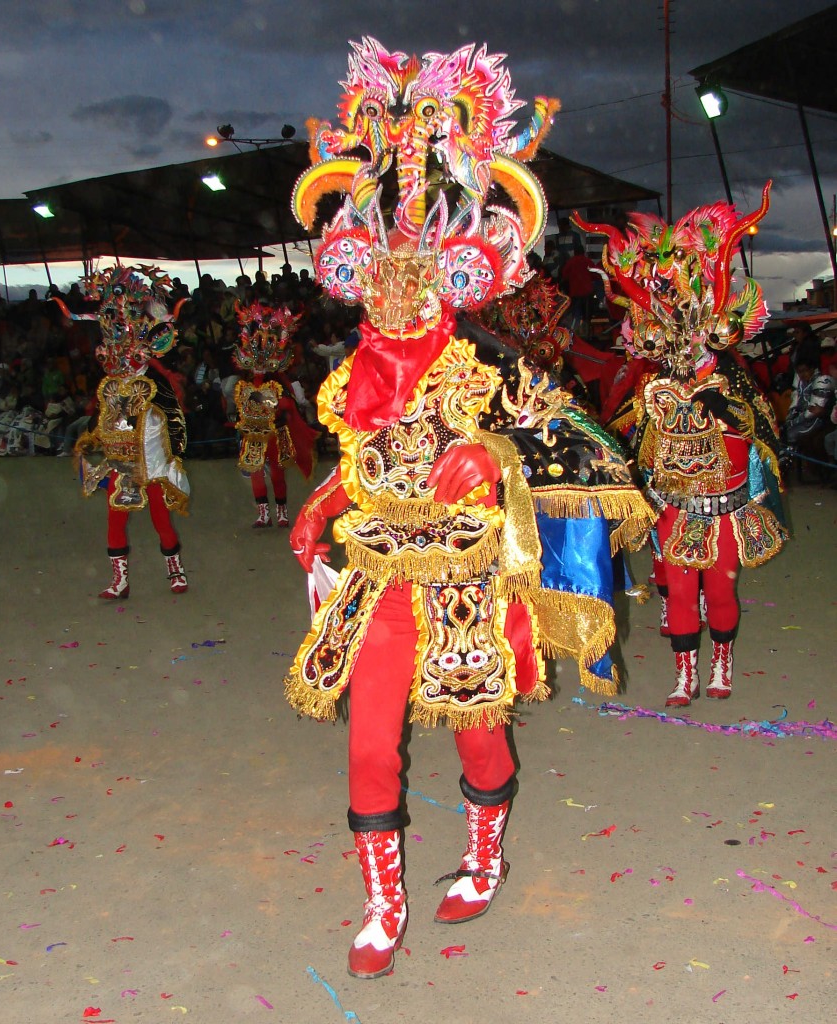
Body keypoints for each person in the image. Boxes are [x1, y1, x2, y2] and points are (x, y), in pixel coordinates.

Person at [286, 37, 652, 981]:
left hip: (464, 589)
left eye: (417, 271)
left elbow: (579, 444)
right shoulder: (355, 373)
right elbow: (365, 463)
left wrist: (485, 450)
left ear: (455, 275)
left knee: (480, 737)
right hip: (375, 586)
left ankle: (485, 856)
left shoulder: (490, 369)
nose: (398, 288)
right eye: (381, 271)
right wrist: (320, 502)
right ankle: (382, 902)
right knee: (370, 744)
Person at [577, 184, 788, 707]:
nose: (683, 343)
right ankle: (684, 675)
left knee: (720, 593)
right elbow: (635, 442)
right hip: (676, 508)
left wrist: (725, 412)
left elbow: (764, 430)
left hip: (726, 509)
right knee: (679, 596)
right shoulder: (656, 388)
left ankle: (721, 664)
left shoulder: (733, 382)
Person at [52, 265, 191, 599]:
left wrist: (172, 455)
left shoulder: (152, 383)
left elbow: (173, 416)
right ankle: (120, 581)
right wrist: (96, 436)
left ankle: (176, 571)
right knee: (115, 519)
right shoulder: (110, 387)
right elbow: (106, 418)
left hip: (151, 461)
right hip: (121, 461)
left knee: (160, 519)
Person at [231, 300, 318, 526]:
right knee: (256, 473)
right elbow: (242, 406)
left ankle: (281, 513)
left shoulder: (277, 384)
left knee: (277, 474)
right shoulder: (245, 384)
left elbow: (285, 405)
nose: (258, 365)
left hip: (274, 434)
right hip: (253, 435)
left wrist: (266, 402)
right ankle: (263, 513)